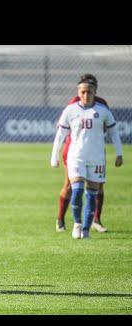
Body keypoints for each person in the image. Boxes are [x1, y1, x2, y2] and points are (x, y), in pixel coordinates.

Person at [50, 76, 123, 239]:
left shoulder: (102, 110)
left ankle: (87, 229)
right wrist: (54, 156)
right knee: (75, 191)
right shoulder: (71, 109)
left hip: (96, 158)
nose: (86, 94)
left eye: (89, 91)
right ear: (78, 92)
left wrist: (119, 153)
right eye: (82, 91)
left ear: (95, 91)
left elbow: (113, 132)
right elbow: (61, 133)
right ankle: (76, 223)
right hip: (76, 157)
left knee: (91, 195)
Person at [56, 74, 109, 233]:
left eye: (91, 87)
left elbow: (106, 126)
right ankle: (60, 219)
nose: (87, 93)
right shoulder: (75, 103)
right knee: (70, 185)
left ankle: (96, 220)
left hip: (95, 150)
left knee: (99, 185)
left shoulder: (101, 104)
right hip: (74, 150)